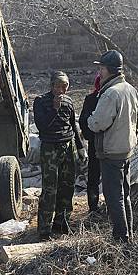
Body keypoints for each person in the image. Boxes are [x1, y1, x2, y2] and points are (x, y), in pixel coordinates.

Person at [87, 51, 138, 243]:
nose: (99, 72)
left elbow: (98, 123)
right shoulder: (130, 89)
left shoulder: (110, 93)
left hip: (111, 152)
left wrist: (89, 120)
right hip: (126, 151)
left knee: (113, 198)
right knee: (124, 195)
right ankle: (129, 236)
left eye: (101, 68)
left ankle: (121, 239)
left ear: (109, 70)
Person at [33, 71, 86, 241]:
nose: (62, 90)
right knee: (50, 189)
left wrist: (80, 148)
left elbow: (73, 126)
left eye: (65, 86)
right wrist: (54, 109)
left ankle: (62, 223)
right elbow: (41, 126)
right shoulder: (41, 102)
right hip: (50, 147)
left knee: (67, 186)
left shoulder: (69, 102)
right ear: (52, 86)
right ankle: (44, 229)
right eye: (58, 86)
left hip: (67, 146)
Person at [79, 73, 102, 212]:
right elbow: (83, 121)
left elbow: (83, 121)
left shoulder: (92, 98)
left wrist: (90, 136)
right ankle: (94, 207)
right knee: (95, 175)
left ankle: (93, 207)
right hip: (103, 143)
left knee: (94, 175)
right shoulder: (94, 99)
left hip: (96, 142)